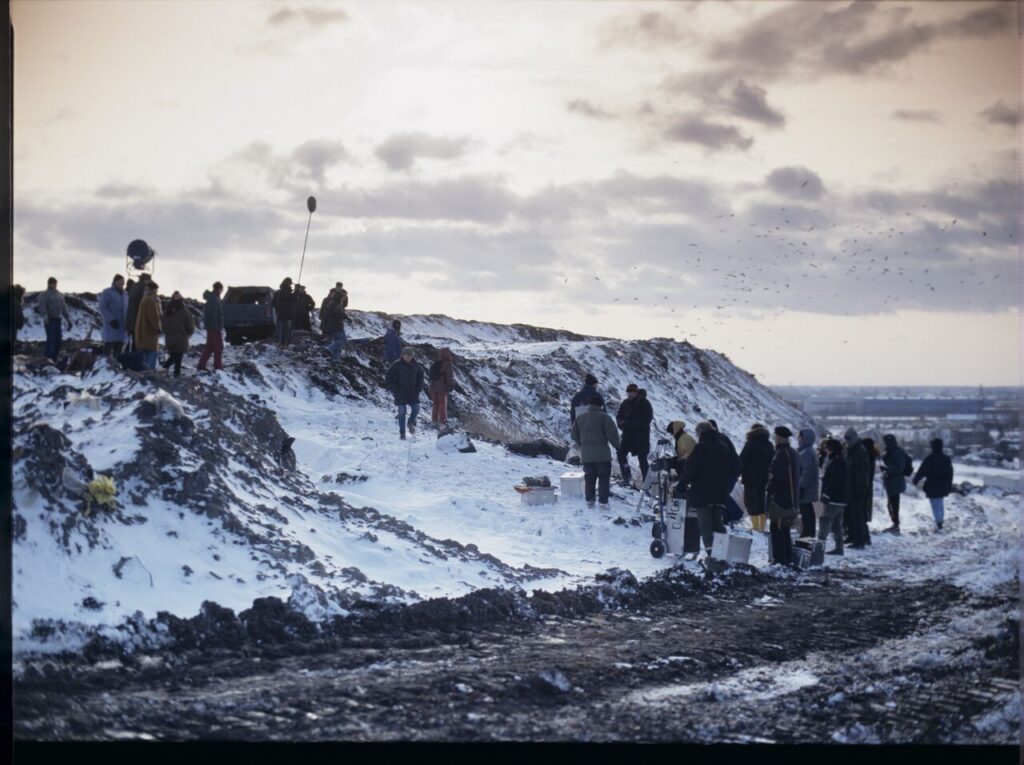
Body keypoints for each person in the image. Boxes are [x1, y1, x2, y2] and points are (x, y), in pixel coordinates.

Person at [683, 421, 739, 555]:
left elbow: (691, 468)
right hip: (720, 492)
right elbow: (732, 466)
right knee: (717, 523)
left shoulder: (701, 447)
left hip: (703, 492)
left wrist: (682, 483)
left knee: (704, 524)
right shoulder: (723, 446)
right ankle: (724, 551)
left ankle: (711, 553)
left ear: (700, 433)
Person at [571, 395, 621, 509]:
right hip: (602, 455)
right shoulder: (605, 418)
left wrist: (582, 444)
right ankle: (603, 502)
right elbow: (612, 436)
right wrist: (619, 447)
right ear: (600, 406)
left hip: (586, 455)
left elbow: (573, 434)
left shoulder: (580, 418)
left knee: (589, 478)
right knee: (603, 478)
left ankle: (590, 500)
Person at [615, 383, 654, 486]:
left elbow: (647, 419)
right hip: (628, 436)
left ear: (636, 392)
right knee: (620, 453)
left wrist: (628, 423)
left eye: (632, 391)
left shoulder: (645, 403)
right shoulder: (625, 403)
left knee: (643, 461)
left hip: (641, 437)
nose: (630, 394)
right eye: (629, 392)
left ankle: (648, 484)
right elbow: (619, 416)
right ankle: (626, 477)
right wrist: (620, 423)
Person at [913, 438, 954, 531]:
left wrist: (916, 479)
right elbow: (950, 473)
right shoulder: (946, 459)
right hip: (943, 484)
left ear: (932, 447)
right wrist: (949, 484)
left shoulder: (929, 459)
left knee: (935, 504)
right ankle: (940, 520)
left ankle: (939, 522)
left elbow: (922, 470)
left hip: (932, 484)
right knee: (940, 503)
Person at [385, 347, 424, 440]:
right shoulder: (397, 365)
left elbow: (420, 378)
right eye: (406, 355)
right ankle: (402, 433)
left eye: (410, 355)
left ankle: (410, 422)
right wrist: (395, 389)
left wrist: (418, 389)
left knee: (416, 408)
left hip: (413, 392)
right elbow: (388, 377)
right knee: (402, 412)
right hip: (400, 393)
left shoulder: (416, 365)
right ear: (403, 355)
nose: (408, 357)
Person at [740, 423, 773, 533]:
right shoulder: (769, 444)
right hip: (764, 478)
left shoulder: (751, 443)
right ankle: (762, 527)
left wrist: (739, 472)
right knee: (761, 501)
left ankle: (755, 526)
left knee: (750, 501)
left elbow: (743, 460)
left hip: (750, 477)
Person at [818, 438, 847, 555]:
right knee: (836, 525)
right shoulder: (839, 460)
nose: (825, 449)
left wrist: (827, 494)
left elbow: (835, 481)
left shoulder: (836, 462)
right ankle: (839, 548)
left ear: (831, 449)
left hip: (833, 499)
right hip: (840, 499)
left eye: (827, 447)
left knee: (824, 520)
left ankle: (819, 549)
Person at [843, 427, 871, 549]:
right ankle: (854, 536)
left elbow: (862, 473)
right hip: (850, 488)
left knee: (857, 516)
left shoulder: (860, 452)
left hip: (857, 489)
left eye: (848, 438)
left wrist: (860, 489)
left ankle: (860, 540)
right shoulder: (851, 451)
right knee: (850, 514)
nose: (847, 441)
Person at [880, 434, 912, 534]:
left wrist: (887, 469)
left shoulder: (897, 452)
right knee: (891, 504)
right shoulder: (891, 451)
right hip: (891, 481)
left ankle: (896, 524)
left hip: (896, 481)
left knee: (893, 504)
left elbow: (900, 467)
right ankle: (895, 524)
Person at [37, 276, 72, 359]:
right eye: (54, 283)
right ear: (49, 284)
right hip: (50, 320)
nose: (55, 285)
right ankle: (47, 359)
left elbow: (64, 308)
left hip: (58, 320)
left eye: (56, 283)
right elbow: (42, 307)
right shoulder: (44, 295)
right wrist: (45, 317)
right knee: (51, 340)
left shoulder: (59, 295)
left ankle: (54, 358)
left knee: (58, 341)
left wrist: (68, 319)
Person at [161, 291, 194, 377]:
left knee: (174, 355)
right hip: (180, 338)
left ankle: (169, 371)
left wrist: (167, 333)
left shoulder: (167, 310)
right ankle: (171, 371)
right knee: (177, 356)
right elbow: (190, 325)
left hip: (169, 338)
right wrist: (189, 333)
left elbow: (163, 324)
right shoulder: (184, 311)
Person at [133, 280, 162, 370]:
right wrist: (157, 328)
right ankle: (149, 375)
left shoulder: (144, 298)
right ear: (153, 290)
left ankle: (144, 374)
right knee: (151, 353)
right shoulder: (150, 300)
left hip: (143, 333)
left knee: (144, 356)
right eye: (156, 291)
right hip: (149, 333)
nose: (157, 293)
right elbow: (153, 317)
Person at [98, 275, 129, 356]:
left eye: (123, 282)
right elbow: (102, 307)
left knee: (118, 352)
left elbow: (127, 309)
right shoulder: (107, 292)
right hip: (111, 326)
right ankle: (105, 366)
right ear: (115, 282)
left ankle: (117, 366)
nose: (122, 284)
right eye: (120, 282)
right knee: (108, 349)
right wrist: (111, 319)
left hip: (122, 328)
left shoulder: (125, 294)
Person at [197, 281, 225, 372]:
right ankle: (218, 367)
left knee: (209, 346)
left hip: (212, 327)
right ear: (219, 289)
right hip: (214, 327)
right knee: (218, 347)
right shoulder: (214, 300)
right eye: (221, 289)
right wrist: (216, 327)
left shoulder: (213, 298)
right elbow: (213, 315)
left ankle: (201, 365)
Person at [797, 428, 819, 539]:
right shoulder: (808, 451)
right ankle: (808, 533)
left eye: (800, 436)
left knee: (806, 511)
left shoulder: (806, 453)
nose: (798, 438)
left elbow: (806, 472)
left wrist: (801, 487)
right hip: (808, 488)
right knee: (807, 511)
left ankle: (807, 533)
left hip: (806, 488)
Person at [666, 421, 696, 498]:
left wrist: (680, 459)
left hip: (690, 465)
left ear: (675, 431)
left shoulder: (684, 439)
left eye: (672, 432)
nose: (672, 435)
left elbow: (691, 452)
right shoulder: (681, 438)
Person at [428, 348, 455, 427]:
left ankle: (434, 420)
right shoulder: (447, 364)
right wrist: (450, 385)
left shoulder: (436, 363)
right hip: (442, 387)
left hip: (433, 386)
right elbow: (448, 376)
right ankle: (442, 421)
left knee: (435, 404)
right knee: (442, 404)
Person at [125, 272, 151, 352]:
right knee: (137, 343)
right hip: (138, 319)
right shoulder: (144, 289)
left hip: (131, 319)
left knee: (131, 342)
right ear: (146, 280)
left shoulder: (133, 287)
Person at [321, 290, 348, 362]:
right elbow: (338, 313)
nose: (344, 298)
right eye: (343, 297)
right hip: (336, 325)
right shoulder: (335, 304)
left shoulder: (334, 303)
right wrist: (346, 317)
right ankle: (328, 349)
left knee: (337, 342)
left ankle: (335, 359)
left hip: (333, 325)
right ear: (340, 297)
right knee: (343, 340)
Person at [272, 278, 295, 346]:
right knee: (285, 330)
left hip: (279, 313)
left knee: (279, 328)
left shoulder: (277, 292)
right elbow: (294, 300)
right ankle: (284, 344)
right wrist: (296, 293)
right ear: (288, 284)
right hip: (287, 314)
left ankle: (277, 342)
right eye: (290, 284)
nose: (291, 285)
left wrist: (278, 309)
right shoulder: (288, 292)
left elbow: (273, 303)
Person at [862, 436, 878, 524]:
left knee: (863, 503)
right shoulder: (872, 455)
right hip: (869, 483)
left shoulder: (866, 456)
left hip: (865, 483)